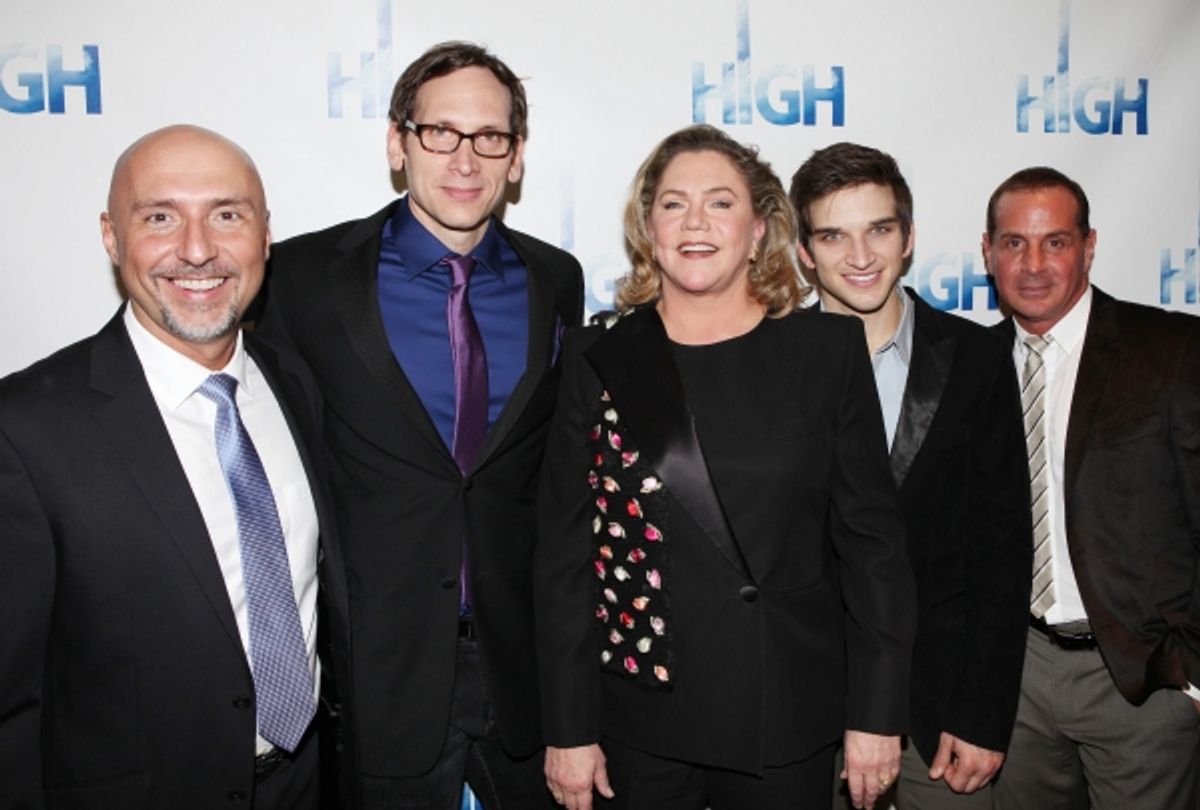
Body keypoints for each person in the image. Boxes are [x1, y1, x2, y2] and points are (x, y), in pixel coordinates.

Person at [534, 124, 916, 810]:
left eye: (720, 202)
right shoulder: (600, 358)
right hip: (639, 722)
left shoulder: (825, 352)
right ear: (648, 227)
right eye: (674, 203)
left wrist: (878, 712)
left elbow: (873, 548)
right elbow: (566, 560)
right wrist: (568, 729)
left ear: (761, 227)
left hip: (786, 714)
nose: (696, 222)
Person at [255, 41, 584, 809]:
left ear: (517, 156)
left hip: (523, 678)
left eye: (489, 137)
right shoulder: (301, 278)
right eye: (441, 132)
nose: (465, 158)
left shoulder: (554, 280)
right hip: (377, 681)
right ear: (398, 144)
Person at [0, 125, 350, 809]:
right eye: (160, 217)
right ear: (111, 236)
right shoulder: (23, 429)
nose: (197, 249)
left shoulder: (294, 385)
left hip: (308, 786)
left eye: (227, 215)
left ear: (265, 234)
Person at [786, 143, 1032, 809]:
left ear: (910, 237)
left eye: (880, 230)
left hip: (942, 712)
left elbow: (1002, 551)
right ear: (804, 251)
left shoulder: (978, 358)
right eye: (834, 235)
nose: (860, 256)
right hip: (803, 713)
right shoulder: (772, 364)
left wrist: (982, 713)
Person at [982, 166, 1200, 809]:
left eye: (1055, 241)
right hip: (1015, 678)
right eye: (1014, 242)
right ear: (988, 251)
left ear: (1090, 245)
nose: (1033, 264)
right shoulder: (971, 365)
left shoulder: (1172, 349)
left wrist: (1190, 675)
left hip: (1143, 681)